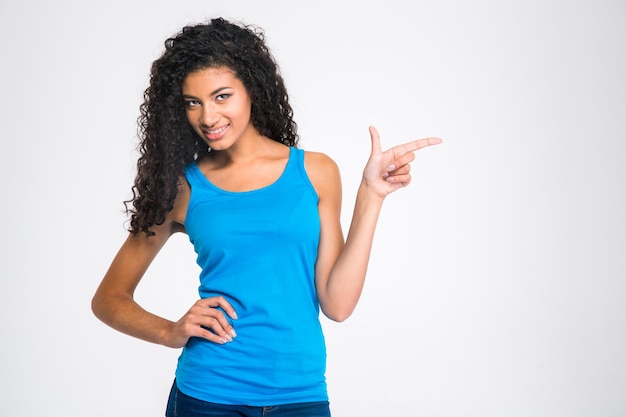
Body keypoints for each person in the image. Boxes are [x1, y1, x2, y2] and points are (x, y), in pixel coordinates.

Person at [91, 17, 441, 417]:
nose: (207, 116)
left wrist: (371, 196)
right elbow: (108, 298)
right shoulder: (182, 189)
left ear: (251, 90)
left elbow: (338, 304)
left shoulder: (315, 171)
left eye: (222, 96)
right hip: (208, 394)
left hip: (301, 394)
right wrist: (170, 332)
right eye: (193, 102)